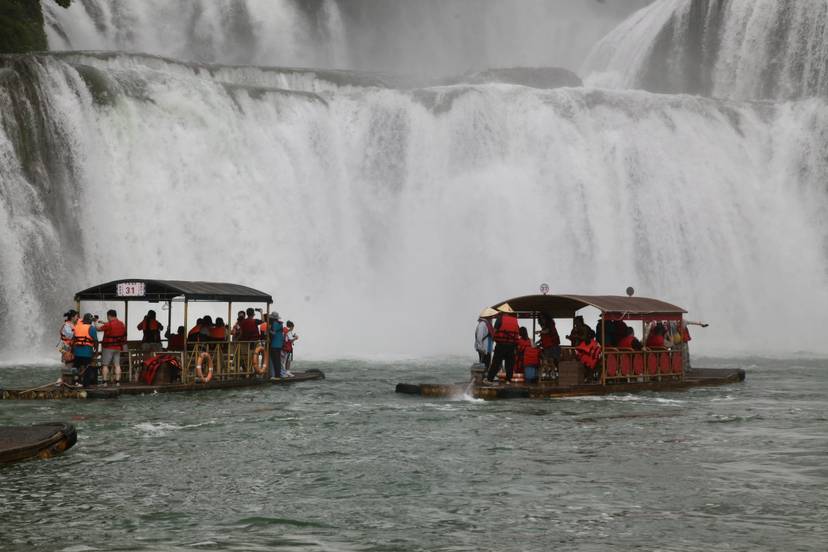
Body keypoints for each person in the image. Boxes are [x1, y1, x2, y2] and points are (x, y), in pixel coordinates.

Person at [486, 307, 519, 384]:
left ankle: (490, 380)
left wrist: (492, 340)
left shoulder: (500, 319)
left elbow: (494, 331)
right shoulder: (515, 320)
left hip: (501, 344)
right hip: (511, 345)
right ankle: (508, 380)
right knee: (509, 364)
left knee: (496, 362)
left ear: (502, 312)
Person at [96, 309, 126, 387]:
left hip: (109, 348)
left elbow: (98, 329)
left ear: (109, 316)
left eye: (107, 316)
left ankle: (104, 382)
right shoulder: (121, 324)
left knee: (105, 365)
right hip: (118, 348)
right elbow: (113, 326)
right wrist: (104, 322)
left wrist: (95, 322)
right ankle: (117, 382)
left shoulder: (109, 325)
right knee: (117, 365)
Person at [73, 313, 99, 388]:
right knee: (87, 368)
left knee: (75, 367)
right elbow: (95, 340)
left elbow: (74, 339)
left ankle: (74, 382)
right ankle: (86, 384)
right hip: (87, 352)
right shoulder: (91, 328)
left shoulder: (76, 327)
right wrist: (96, 350)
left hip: (77, 351)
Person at [535, 312, 560, 377]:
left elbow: (547, 331)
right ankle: (553, 375)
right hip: (551, 345)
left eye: (543, 318)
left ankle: (548, 374)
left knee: (545, 359)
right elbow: (545, 337)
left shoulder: (548, 325)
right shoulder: (550, 325)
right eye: (541, 319)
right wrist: (537, 342)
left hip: (550, 345)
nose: (542, 320)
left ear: (547, 318)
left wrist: (539, 331)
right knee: (551, 360)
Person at [58, 310, 79, 385]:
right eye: (76, 316)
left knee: (71, 363)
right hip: (66, 347)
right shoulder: (67, 325)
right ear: (72, 317)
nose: (78, 318)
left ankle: (66, 379)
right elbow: (70, 335)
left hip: (69, 346)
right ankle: (60, 379)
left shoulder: (74, 324)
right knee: (68, 363)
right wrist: (79, 332)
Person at [268, 313, 284, 379]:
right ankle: (278, 374)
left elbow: (274, 334)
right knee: (278, 361)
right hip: (279, 345)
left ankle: (276, 375)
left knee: (275, 361)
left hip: (274, 344)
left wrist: (269, 330)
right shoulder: (280, 324)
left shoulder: (274, 323)